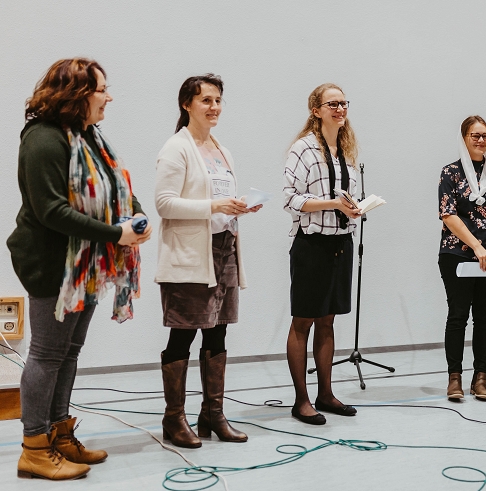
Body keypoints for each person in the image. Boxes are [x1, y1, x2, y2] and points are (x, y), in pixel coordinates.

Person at [8, 58, 151, 480]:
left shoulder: (87, 135)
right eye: (102, 90)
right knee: (46, 354)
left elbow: (114, 185)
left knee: (68, 352)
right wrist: (116, 233)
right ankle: (34, 448)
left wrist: (135, 216)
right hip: (53, 263)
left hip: (86, 263)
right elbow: (51, 210)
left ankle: (59, 432)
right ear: (77, 94)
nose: (109, 97)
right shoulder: (43, 139)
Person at [155, 74, 261, 448]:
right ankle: (174, 418)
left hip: (224, 248)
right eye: (206, 100)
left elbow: (219, 201)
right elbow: (164, 203)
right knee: (183, 333)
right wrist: (214, 206)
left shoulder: (221, 149)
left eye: (218, 101)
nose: (214, 107)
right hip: (190, 256)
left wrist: (238, 207)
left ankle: (212, 414)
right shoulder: (176, 147)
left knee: (218, 332)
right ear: (187, 104)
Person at [283, 83, 362, 425]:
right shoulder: (303, 148)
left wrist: (356, 208)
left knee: (328, 320)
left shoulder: (345, 149)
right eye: (333, 104)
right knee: (303, 321)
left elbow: (348, 197)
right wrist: (332, 204)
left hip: (341, 243)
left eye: (344, 103)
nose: (340, 108)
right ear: (316, 110)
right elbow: (291, 199)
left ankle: (325, 394)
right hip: (311, 244)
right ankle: (301, 400)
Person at [438, 115, 486, 401]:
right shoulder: (450, 172)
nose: (481, 140)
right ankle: (455, 378)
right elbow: (448, 214)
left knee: (485, 317)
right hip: (457, 254)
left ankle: (481, 378)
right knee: (458, 315)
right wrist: (476, 246)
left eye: (485, 135)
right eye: (475, 135)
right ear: (464, 139)